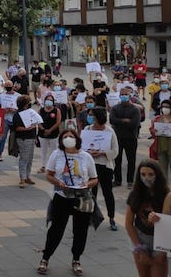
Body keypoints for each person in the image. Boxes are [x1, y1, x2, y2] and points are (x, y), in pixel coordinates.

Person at [37, 129, 98, 276]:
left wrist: (87, 185)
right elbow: (49, 175)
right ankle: (45, 258)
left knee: (80, 230)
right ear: (61, 140)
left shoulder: (86, 156)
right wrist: (58, 182)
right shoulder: (57, 154)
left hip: (81, 197)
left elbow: (94, 179)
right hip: (61, 197)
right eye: (65, 137)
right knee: (56, 230)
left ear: (77, 139)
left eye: (71, 136)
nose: (68, 138)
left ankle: (76, 259)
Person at [124, 159, 169, 277]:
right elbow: (128, 223)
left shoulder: (167, 194)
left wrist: (165, 250)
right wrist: (139, 248)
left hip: (160, 240)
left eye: (150, 174)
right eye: (143, 174)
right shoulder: (135, 194)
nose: (146, 178)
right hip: (140, 238)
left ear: (157, 175)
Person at [83, 106, 120, 230]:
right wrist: (88, 152)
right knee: (90, 192)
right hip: (91, 165)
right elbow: (81, 147)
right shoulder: (87, 129)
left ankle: (112, 218)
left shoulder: (109, 131)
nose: (90, 117)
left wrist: (103, 153)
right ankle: (91, 217)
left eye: (92, 115)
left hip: (105, 165)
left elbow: (115, 150)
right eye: (89, 115)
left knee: (107, 192)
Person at [110, 87, 143, 188]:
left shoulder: (135, 109)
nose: (124, 96)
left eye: (126, 94)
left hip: (131, 138)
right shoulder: (115, 108)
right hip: (118, 138)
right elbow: (112, 120)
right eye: (122, 94)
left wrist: (119, 121)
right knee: (117, 160)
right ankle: (117, 180)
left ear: (130, 96)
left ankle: (130, 181)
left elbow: (134, 124)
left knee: (131, 160)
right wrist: (124, 121)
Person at [12, 96, 39, 188]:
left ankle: (27, 176)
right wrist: (26, 128)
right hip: (23, 138)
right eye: (28, 102)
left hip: (31, 137)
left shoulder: (30, 112)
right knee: (24, 158)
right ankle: (22, 178)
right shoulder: (17, 114)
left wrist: (34, 136)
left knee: (30, 158)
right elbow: (16, 128)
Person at [38, 94, 62, 174]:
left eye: (51, 100)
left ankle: (53, 167)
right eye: (47, 100)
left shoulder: (56, 110)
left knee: (54, 150)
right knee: (43, 150)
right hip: (42, 133)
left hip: (53, 133)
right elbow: (38, 121)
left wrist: (50, 130)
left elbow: (58, 122)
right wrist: (43, 129)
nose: (49, 101)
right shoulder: (41, 110)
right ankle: (43, 165)